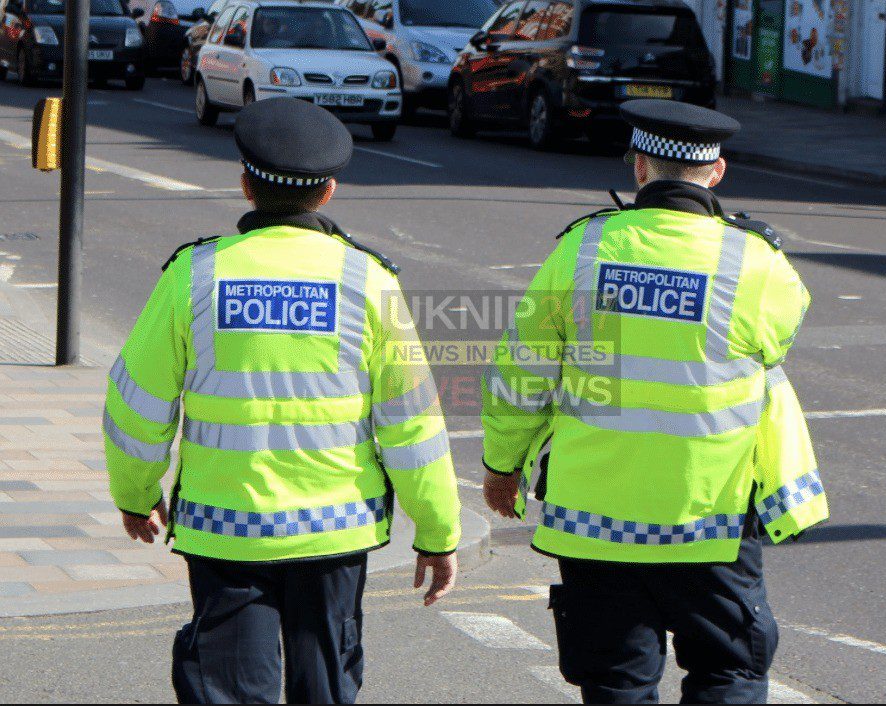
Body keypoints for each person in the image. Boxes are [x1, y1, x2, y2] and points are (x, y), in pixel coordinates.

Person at [102, 97, 461, 705]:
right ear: (328, 193)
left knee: (231, 690)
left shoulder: (194, 275)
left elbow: (137, 402)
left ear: (246, 184)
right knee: (324, 689)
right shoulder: (367, 279)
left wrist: (136, 495)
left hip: (225, 528)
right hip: (334, 531)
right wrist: (438, 529)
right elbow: (412, 422)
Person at [480, 99, 829, 704]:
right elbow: (779, 341)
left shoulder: (580, 250)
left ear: (639, 167)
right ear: (715, 173)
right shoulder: (758, 263)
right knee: (729, 672)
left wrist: (500, 466)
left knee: (615, 680)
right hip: (709, 517)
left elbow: (521, 375)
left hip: (593, 518)